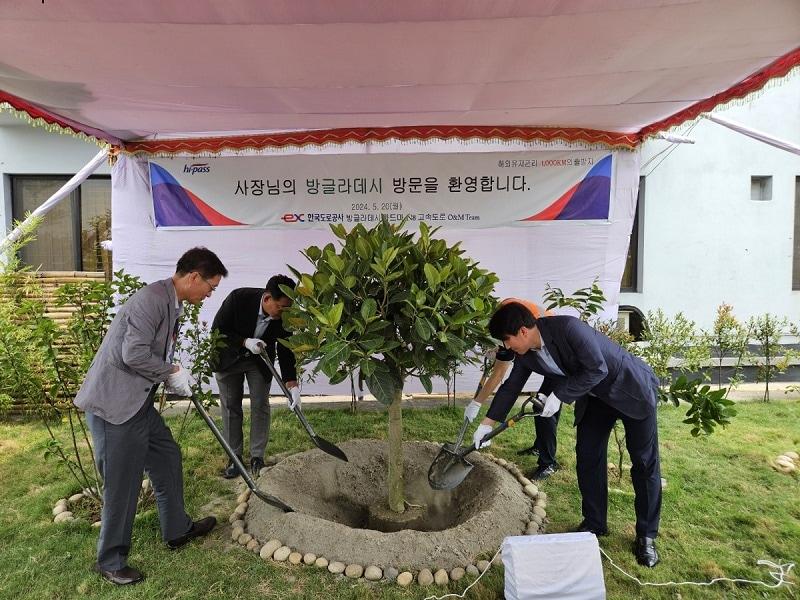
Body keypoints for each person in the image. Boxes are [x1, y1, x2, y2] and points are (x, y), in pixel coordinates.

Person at [74, 247, 228, 585]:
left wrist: (169, 374)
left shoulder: (173, 303)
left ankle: (177, 530)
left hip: (137, 403)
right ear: (193, 277)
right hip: (116, 407)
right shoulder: (151, 299)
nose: (210, 293)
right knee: (122, 484)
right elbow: (133, 355)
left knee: (166, 456)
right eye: (211, 286)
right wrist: (171, 370)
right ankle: (111, 560)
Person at [475, 302, 662, 567]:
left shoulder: (568, 328)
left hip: (630, 389)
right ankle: (595, 524)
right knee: (588, 456)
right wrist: (487, 424)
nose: (505, 347)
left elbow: (598, 368)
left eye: (506, 339)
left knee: (644, 464)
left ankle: (646, 536)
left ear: (523, 331)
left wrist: (559, 396)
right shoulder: (526, 353)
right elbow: (511, 387)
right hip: (596, 397)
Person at [211, 275, 299, 478]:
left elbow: (286, 350)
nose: (285, 313)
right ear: (267, 298)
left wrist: (292, 385)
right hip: (228, 357)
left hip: (258, 362)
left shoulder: (284, 315)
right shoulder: (238, 298)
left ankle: (257, 456)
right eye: (281, 307)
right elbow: (218, 330)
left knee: (260, 404)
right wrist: (244, 342)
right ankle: (234, 458)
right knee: (231, 406)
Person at [463, 298, 561, 481]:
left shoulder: (511, 319)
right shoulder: (504, 334)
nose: (503, 348)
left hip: (556, 353)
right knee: (540, 407)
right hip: (536, 350)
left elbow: (501, 373)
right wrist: (476, 404)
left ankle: (548, 463)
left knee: (542, 408)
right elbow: (501, 375)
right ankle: (540, 445)